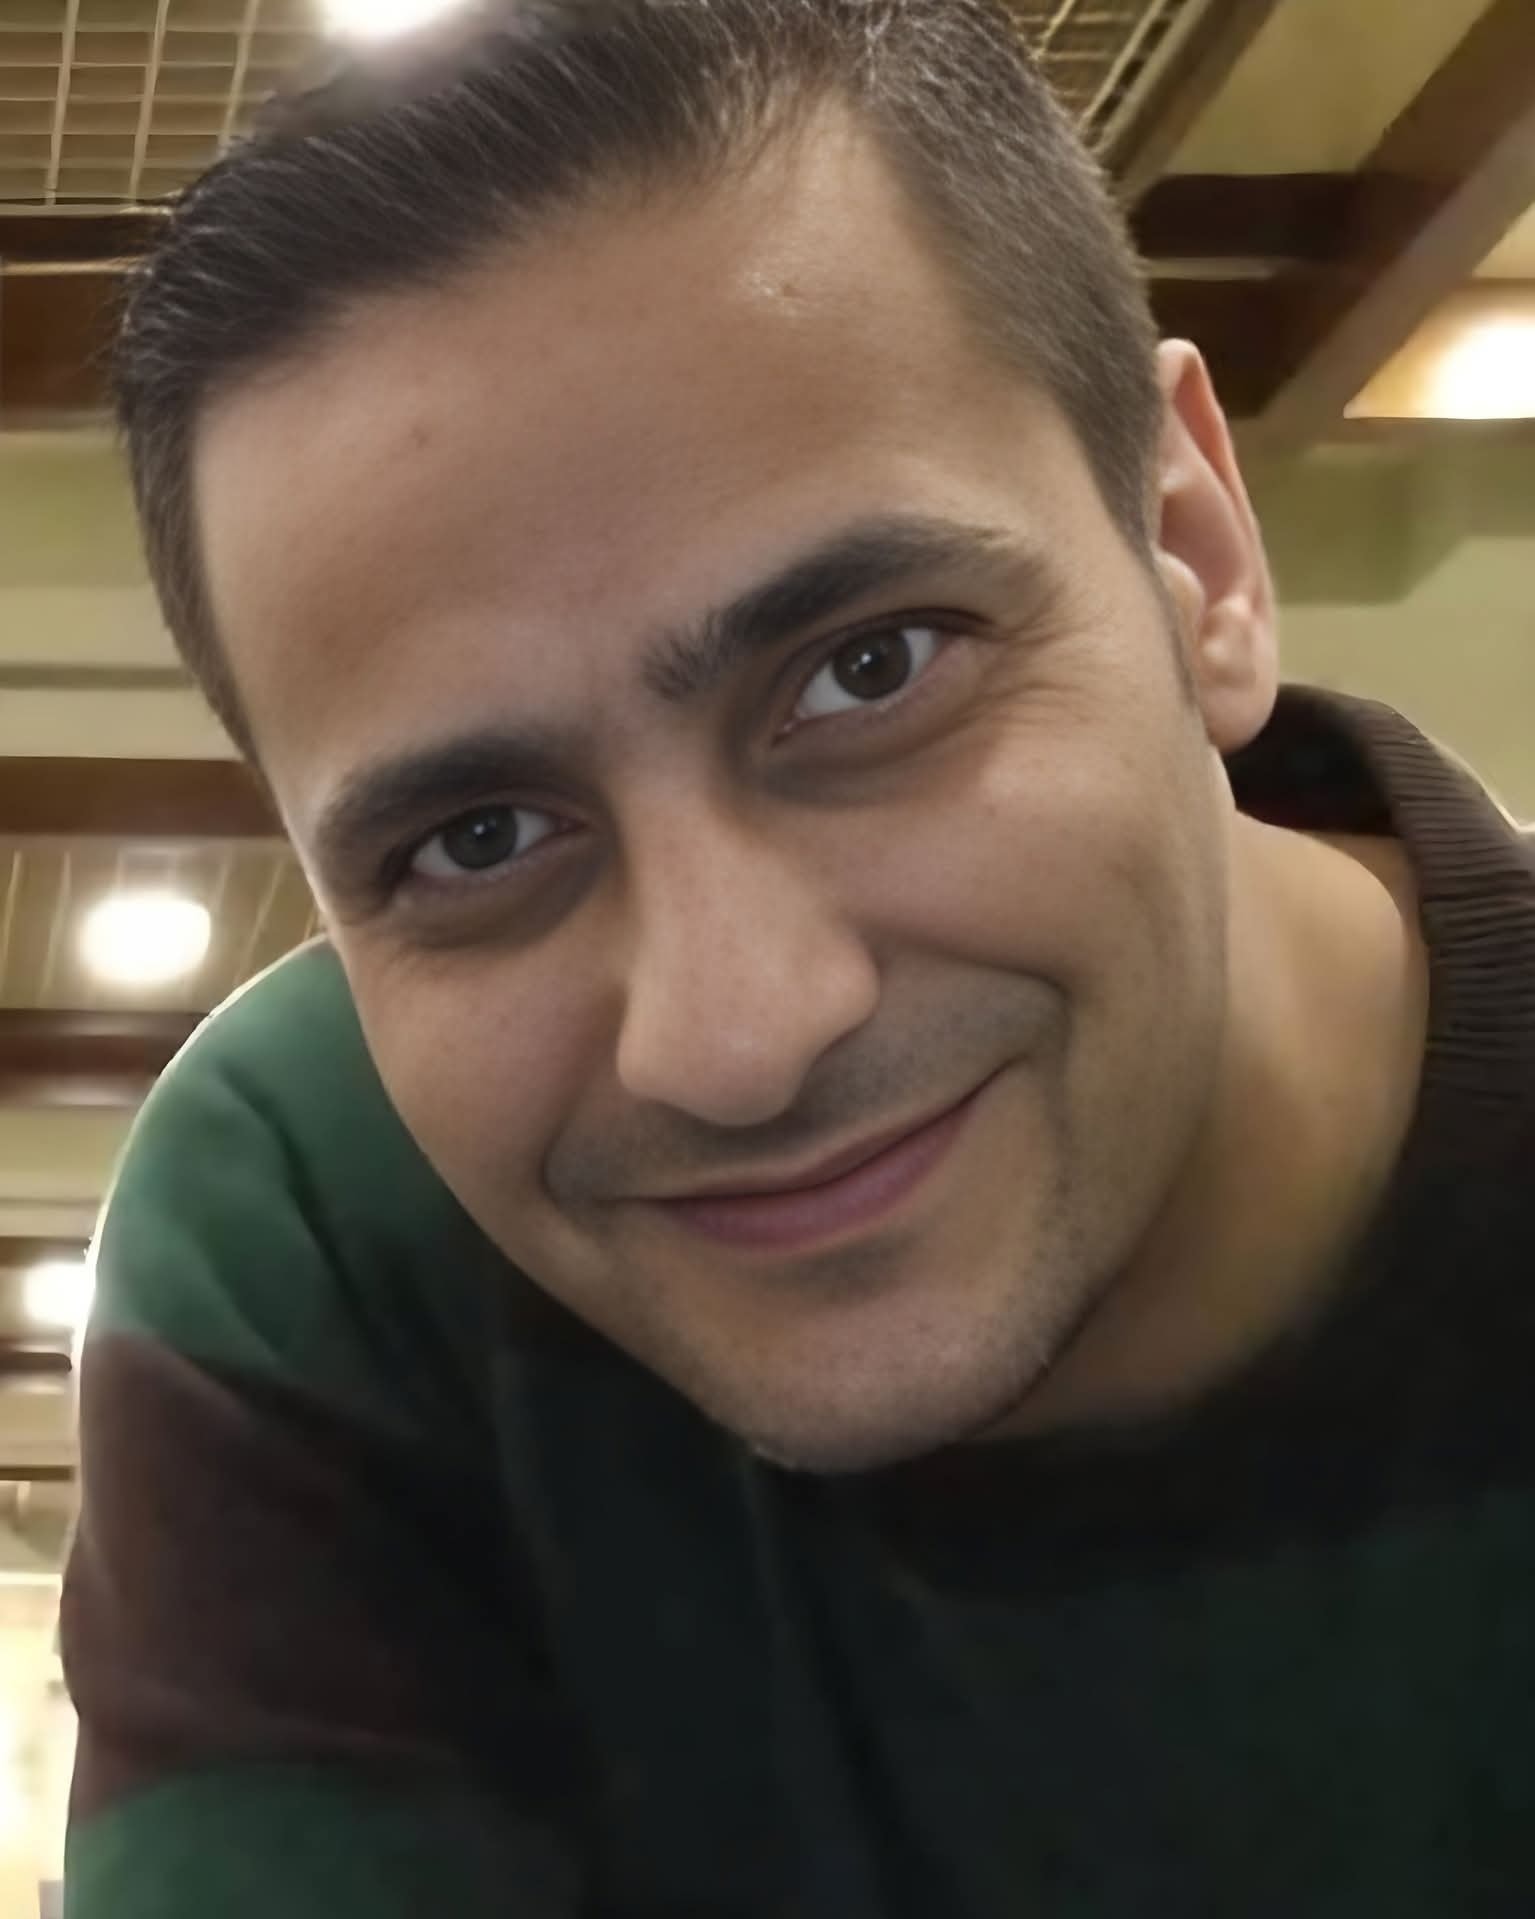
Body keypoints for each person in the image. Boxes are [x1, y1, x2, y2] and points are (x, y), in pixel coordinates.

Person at [61, 1, 1535, 1913]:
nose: (738, 1036)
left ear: (1196, 555)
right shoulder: (337, 1216)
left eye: (868, 671)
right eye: (477, 840)